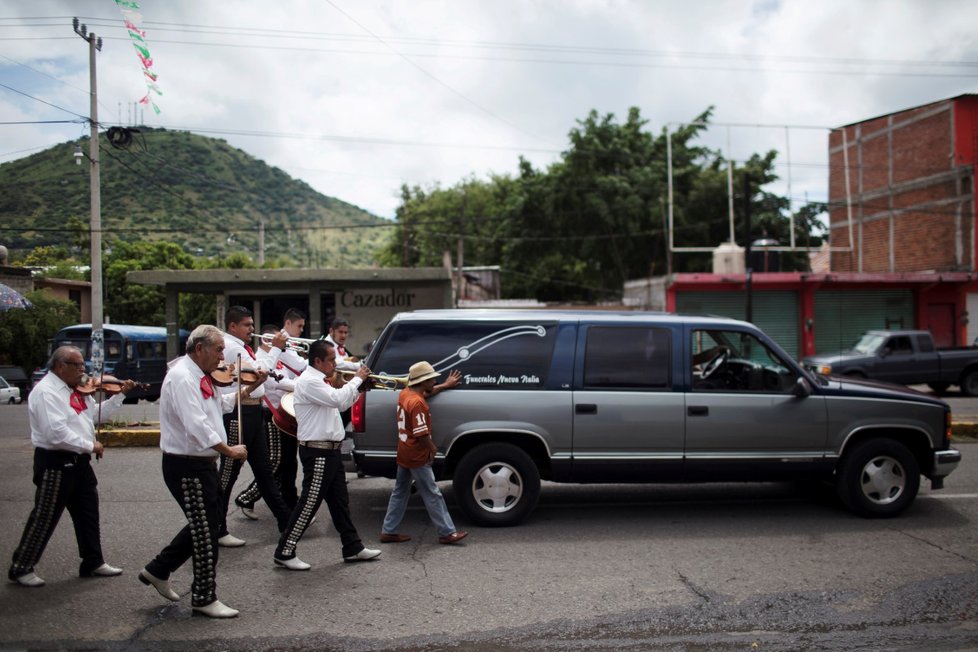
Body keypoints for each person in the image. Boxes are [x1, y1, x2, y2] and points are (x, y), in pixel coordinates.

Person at [139, 325, 252, 618]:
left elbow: (219, 408)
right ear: (199, 348)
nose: (223, 357)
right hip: (186, 465)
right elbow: (195, 424)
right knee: (205, 533)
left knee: (207, 525)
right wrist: (229, 451)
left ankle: (158, 569)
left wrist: (248, 388)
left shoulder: (202, 377)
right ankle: (203, 596)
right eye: (218, 350)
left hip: (202, 464)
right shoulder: (181, 377)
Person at [8, 346, 135, 587]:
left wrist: (119, 396)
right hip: (55, 461)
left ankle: (92, 561)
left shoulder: (76, 390)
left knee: (88, 512)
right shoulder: (46, 392)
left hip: (79, 462)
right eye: (77, 365)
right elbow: (55, 433)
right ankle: (22, 566)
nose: (82, 370)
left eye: (82, 365)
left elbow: (95, 416)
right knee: (45, 515)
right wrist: (90, 445)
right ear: (60, 366)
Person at [273, 339, 381, 570]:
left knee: (340, 502)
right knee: (309, 502)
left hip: (329, 450)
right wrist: (358, 379)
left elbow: (340, 403)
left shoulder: (320, 380)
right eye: (331, 360)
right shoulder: (310, 381)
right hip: (318, 451)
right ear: (318, 361)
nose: (335, 364)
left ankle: (352, 547)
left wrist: (358, 389)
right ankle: (285, 550)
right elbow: (339, 401)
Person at [218, 306, 291, 546]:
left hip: (252, 410)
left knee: (264, 471)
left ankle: (286, 522)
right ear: (233, 327)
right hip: (239, 412)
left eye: (252, 324)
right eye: (247, 325)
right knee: (228, 474)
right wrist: (276, 348)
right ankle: (217, 527)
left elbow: (260, 367)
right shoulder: (231, 348)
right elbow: (261, 371)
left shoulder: (242, 347)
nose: (252, 329)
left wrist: (269, 349)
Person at [380, 361, 468, 546]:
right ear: (423, 381)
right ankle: (447, 532)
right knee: (432, 492)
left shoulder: (406, 394)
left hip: (404, 450)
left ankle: (389, 530)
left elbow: (427, 392)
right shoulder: (417, 403)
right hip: (417, 454)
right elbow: (421, 434)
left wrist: (445, 386)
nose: (435, 380)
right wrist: (432, 448)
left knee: (400, 491)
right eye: (431, 379)